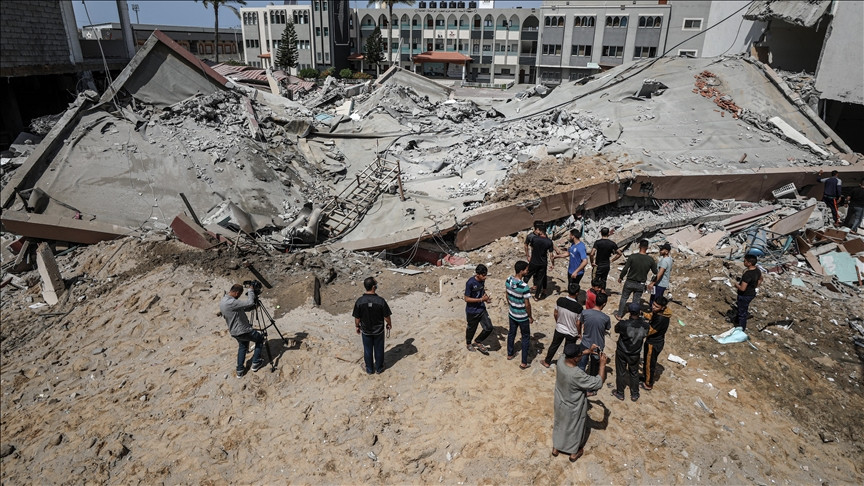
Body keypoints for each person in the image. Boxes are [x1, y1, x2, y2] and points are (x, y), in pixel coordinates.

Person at [552, 342, 608, 463]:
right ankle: (573, 453)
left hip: (560, 401)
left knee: (559, 425)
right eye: (580, 356)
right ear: (575, 358)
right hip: (573, 406)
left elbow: (569, 354)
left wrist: (587, 351)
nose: (581, 357)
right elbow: (598, 383)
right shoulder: (577, 374)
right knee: (575, 428)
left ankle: (556, 448)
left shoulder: (561, 360)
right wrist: (602, 365)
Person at [220, 283, 265, 378]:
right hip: (243, 330)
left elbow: (240, 309)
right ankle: (256, 362)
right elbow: (249, 303)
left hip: (235, 332)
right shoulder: (231, 302)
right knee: (260, 339)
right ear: (236, 293)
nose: (239, 296)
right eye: (239, 295)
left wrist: (253, 307)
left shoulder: (224, 300)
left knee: (243, 347)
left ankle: (240, 370)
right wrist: (251, 291)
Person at [353, 277, 392, 374]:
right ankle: (379, 368)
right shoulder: (381, 301)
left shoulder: (360, 301)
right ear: (374, 287)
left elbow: (357, 318)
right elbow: (386, 316)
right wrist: (389, 324)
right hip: (379, 330)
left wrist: (357, 326)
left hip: (366, 330)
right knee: (379, 349)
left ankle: (369, 369)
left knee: (367, 350)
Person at [612, 302, 650, 402]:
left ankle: (620, 393)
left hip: (622, 351)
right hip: (635, 353)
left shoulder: (623, 324)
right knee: (634, 373)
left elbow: (616, 330)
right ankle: (634, 394)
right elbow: (646, 334)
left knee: (621, 372)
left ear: (629, 312)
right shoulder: (645, 326)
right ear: (639, 312)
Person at [541, 281, 582, 368]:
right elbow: (578, 323)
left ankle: (547, 361)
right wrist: (579, 333)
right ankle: (564, 365)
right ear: (577, 293)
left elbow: (555, 313)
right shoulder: (579, 308)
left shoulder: (560, 301)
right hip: (572, 332)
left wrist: (558, 322)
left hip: (560, 328)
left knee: (554, 345)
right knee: (568, 350)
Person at [616, 239, 657, 319]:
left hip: (630, 281)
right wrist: (653, 282)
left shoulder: (632, 257)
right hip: (640, 284)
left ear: (639, 246)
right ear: (647, 247)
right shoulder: (650, 260)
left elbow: (625, 269)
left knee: (624, 298)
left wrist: (621, 277)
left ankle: (619, 315)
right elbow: (656, 272)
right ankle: (634, 316)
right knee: (636, 301)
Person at [579, 293, 611, 391]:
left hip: (585, 343)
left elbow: (580, 323)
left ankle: (578, 384)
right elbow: (607, 328)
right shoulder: (606, 318)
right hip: (598, 345)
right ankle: (590, 389)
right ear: (604, 304)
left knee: (581, 365)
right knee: (594, 368)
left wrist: (579, 333)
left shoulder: (585, 312)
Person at [506, 260, 534, 369]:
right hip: (522, 316)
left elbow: (507, 295)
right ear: (521, 271)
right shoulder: (524, 287)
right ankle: (523, 362)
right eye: (526, 269)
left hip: (512, 313)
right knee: (525, 337)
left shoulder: (508, 280)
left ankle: (510, 353)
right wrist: (530, 316)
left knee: (511, 333)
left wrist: (512, 305)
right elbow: (527, 305)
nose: (527, 271)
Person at [641, 296, 671, 391]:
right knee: (646, 361)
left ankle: (648, 383)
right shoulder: (659, 313)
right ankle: (645, 376)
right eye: (653, 304)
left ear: (662, 307)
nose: (653, 307)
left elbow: (650, 331)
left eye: (656, 306)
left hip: (653, 343)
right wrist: (643, 314)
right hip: (654, 341)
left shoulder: (661, 319)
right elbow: (651, 315)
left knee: (650, 364)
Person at [464, 264, 493, 354]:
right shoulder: (470, 283)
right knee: (471, 328)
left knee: (489, 328)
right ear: (477, 274)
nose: (485, 277)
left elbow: (482, 290)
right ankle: (469, 343)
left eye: (485, 275)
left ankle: (478, 341)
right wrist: (481, 299)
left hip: (481, 309)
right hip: (472, 311)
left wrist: (486, 298)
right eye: (483, 275)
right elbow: (466, 298)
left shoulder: (482, 281)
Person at [524, 221, 554, 299]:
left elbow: (532, 247)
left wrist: (530, 255)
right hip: (543, 263)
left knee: (527, 275)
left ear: (539, 230)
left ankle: (521, 290)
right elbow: (551, 255)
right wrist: (553, 264)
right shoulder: (549, 241)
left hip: (534, 261)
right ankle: (537, 296)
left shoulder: (534, 239)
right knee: (541, 279)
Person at [735, 255, 762, 332]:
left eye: (745, 261)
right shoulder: (757, 270)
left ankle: (741, 330)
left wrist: (736, 285)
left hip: (744, 295)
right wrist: (755, 286)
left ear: (749, 263)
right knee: (742, 308)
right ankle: (737, 321)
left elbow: (742, 289)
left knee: (742, 313)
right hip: (751, 293)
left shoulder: (747, 274)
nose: (744, 262)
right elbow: (760, 279)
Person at [648, 242, 673, 308]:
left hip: (659, 284)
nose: (660, 251)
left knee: (655, 301)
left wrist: (652, 283)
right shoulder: (670, 259)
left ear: (667, 251)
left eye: (662, 250)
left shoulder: (664, 261)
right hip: (663, 283)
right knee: (657, 300)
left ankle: (653, 314)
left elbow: (660, 273)